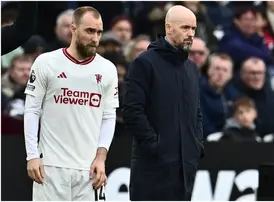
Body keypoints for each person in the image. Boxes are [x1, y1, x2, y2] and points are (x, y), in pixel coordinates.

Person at [23, 6, 119, 201]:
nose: (95, 38)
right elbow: (32, 110)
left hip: (89, 170)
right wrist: (32, 155)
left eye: (99, 32)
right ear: (73, 29)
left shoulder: (108, 69)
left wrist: (101, 158)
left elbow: (109, 116)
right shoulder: (46, 62)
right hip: (50, 168)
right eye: (90, 31)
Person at [122, 5, 204, 201]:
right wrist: (155, 146)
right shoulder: (144, 63)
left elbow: (196, 112)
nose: (190, 34)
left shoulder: (191, 68)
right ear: (168, 28)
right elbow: (132, 111)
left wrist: (196, 144)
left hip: (185, 170)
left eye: (193, 29)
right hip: (153, 170)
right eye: (185, 27)